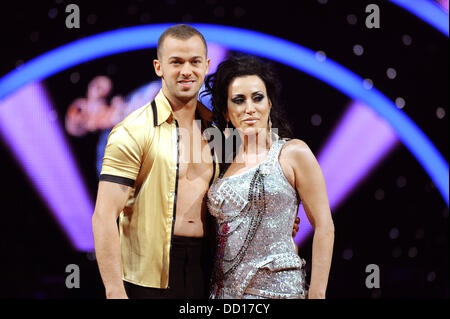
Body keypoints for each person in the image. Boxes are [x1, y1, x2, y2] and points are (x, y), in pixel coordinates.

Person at [92, 24, 300, 299]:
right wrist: (114, 291)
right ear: (159, 67)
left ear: (206, 66)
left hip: (209, 270)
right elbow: (104, 217)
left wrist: (274, 216)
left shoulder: (220, 133)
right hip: (148, 276)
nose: (186, 71)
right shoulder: (133, 131)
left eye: (194, 62)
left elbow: (238, 193)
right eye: (176, 62)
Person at [203, 56, 334, 299]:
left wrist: (317, 294)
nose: (250, 108)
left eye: (257, 97)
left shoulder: (293, 152)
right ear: (226, 112)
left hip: (278, 292)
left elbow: (324, 227)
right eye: (238, 100)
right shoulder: (219, 165)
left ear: (270, 103)